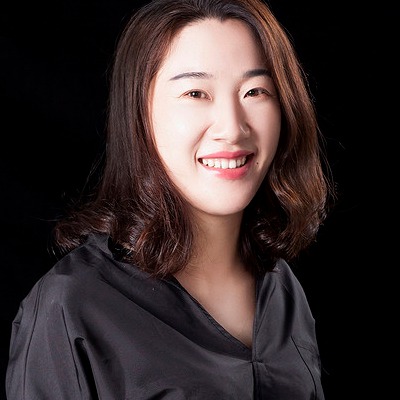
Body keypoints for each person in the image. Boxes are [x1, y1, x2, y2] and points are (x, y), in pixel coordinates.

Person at [6, 0, 334, 398]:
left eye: (255, 91)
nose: (232, 128)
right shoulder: (72, 304)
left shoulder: (282, 288)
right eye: (196, 93)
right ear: (140, 115)